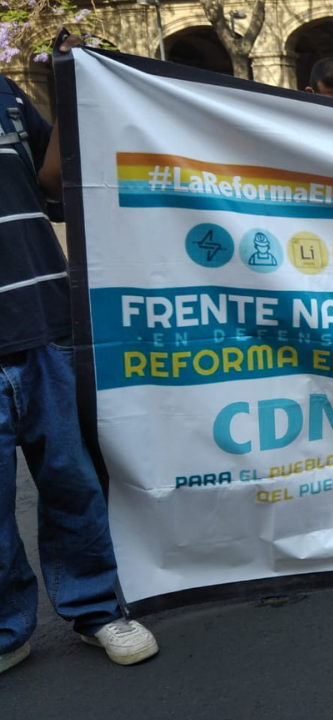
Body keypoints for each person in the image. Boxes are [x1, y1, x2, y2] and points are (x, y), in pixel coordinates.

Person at [1, 35, 159, 676]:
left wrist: (73, 86)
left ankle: (97, 608)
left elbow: (51, 175)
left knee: (73, 482)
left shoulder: (6, 95)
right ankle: (8, 631)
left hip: (44, 324)